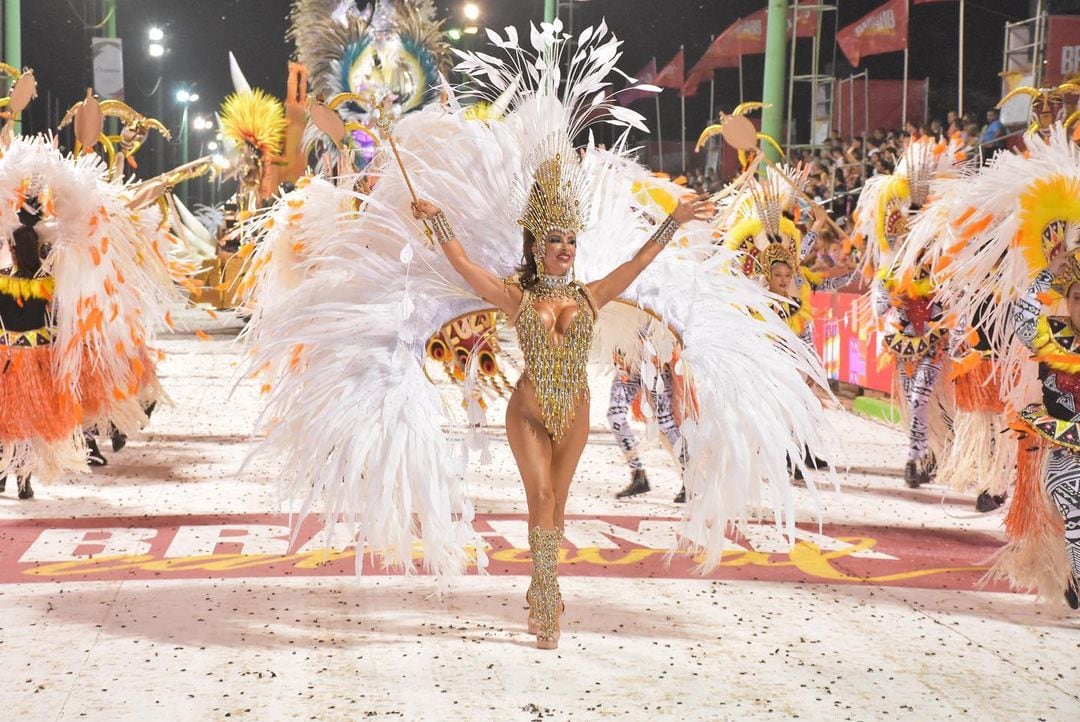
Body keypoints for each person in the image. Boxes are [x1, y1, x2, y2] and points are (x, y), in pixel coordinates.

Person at [410, 179, 712, 648]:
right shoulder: (517, 297)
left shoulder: (591, 296)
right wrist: (437, 219)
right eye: (555, 238)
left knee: (559, 504)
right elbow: (465, 266)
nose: (566, 247)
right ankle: (548, 595)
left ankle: (541, 579)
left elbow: (638, 262)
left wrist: (675, 218)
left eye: (572, 238)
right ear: (535, 245)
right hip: (527, 412)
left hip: (575, 415)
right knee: (542, 497)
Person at [608, 346, 689, 503]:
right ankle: (638, 475)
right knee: (615, 415)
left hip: (655, 362)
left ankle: (691, 479)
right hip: (627, 363)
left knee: (666, 424)